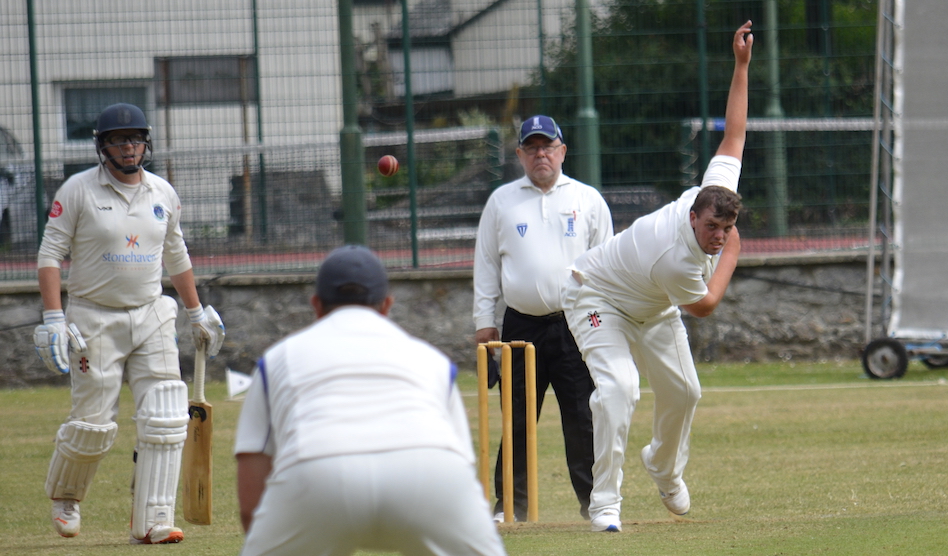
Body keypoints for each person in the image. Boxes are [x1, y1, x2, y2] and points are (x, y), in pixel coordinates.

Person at [564, 21, 754, 533]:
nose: (719, 235)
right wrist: (735, 250)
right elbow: (705, 305)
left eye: (727, 228)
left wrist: (740, 66)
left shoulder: (714, 189)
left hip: (649, 305)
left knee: (685, 393)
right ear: (694, 216)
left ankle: (663, 467)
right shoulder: (676, 257)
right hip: (596, 296)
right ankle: (605, 504)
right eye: (713, 228)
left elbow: (734, 133)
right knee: (620, 389)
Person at [34, 103, 225, 544]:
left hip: (151, 313)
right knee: (93, 424)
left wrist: (196, 312)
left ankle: (153, 519)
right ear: (103, 146)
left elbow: (177, 257)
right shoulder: (78, 190)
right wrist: (52, 318)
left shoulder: (162, 193)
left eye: (135, 139)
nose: (128, 147)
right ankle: (66, 496)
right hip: (93, 316)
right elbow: (49, 256)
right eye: (119, 140)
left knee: (165, 416)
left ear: (146, 143)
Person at [235, 245, 506, 556]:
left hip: (317, 473)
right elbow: (461, 463)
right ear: (387, 305)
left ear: (316, 305)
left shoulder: (276, 360)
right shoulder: (433, 360)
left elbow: (250, 502)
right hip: (429, 473)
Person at [473, 115, 613, 522]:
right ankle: (511, 506)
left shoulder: (587, 199)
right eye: (531, 148)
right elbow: (485, 266)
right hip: (522, 326)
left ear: (562, 151)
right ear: (519, 154)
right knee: (515, 417)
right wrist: (484, 322)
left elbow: (608, 264)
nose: (540, 154)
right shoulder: (502, 201)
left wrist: (609, 321)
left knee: (583, 416)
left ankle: (596, 505)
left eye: (547, 146)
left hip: (577, 324)